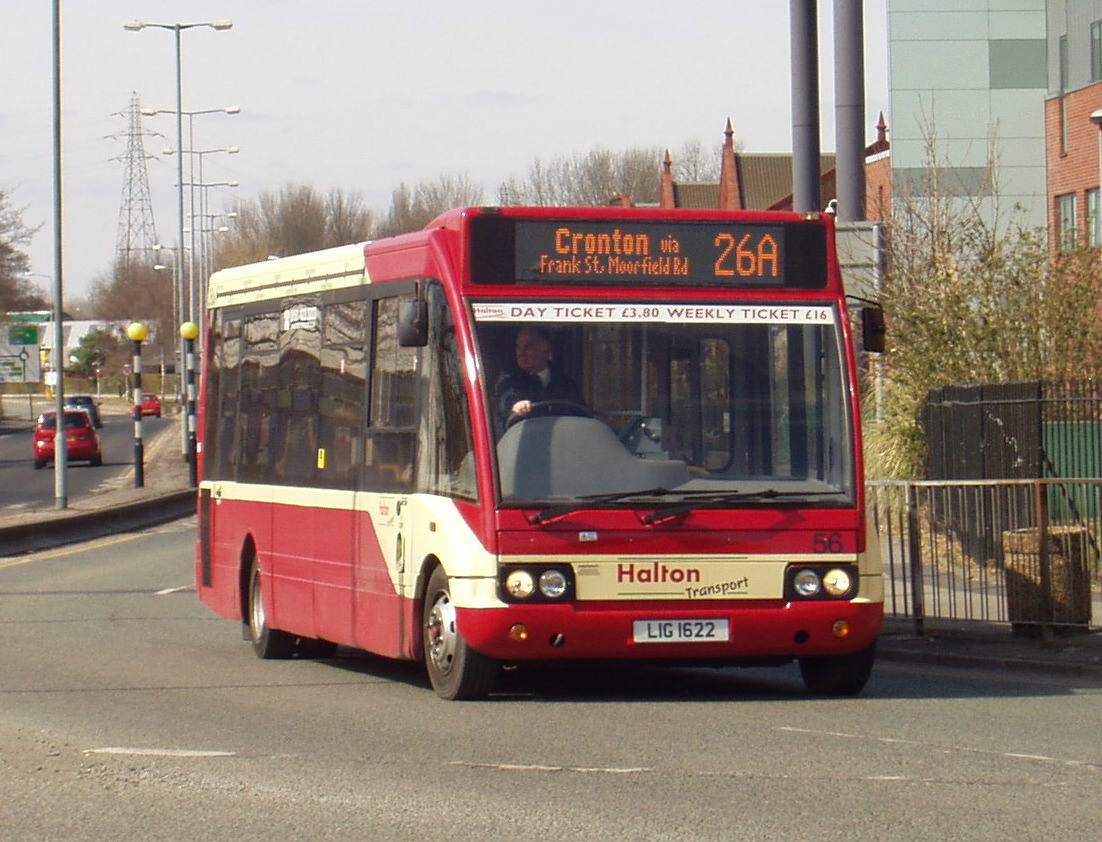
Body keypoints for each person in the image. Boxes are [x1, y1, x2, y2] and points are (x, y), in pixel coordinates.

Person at [495, 325, 584, 432]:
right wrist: (517, 405)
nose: (520, 353)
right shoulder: (509, 378)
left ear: (546, 349)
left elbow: (581, 415)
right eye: (518, 347)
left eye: (528, 347)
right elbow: (507, 398)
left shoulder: (565, 382)